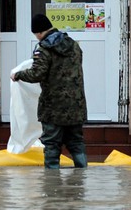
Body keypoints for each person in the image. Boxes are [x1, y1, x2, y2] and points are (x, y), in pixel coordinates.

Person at [11, 14, 88, 169]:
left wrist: (17, 75)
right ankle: (82, 178)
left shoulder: (44, 48)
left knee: (52, 145)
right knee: (76, 143)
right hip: (76, 105)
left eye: (36, 35)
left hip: (54, 107)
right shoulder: (73, 45)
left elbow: (36, 74)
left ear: (39, 32)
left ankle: (52, 185)